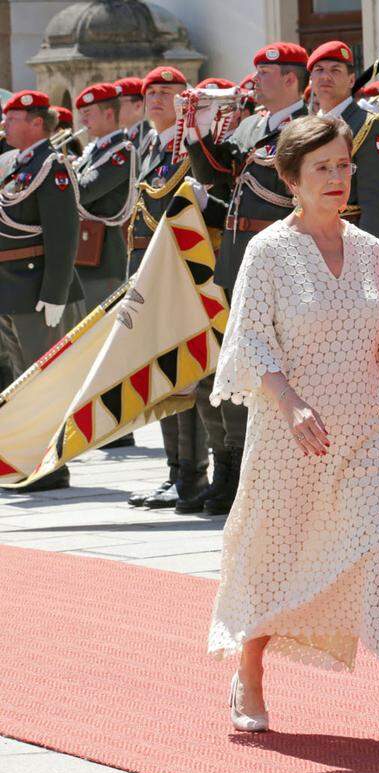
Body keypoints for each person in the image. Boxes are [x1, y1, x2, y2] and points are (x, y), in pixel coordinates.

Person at [206, 115, 379, 750]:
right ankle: (249, 675)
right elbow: (250, 337)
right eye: (323, 169)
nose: (338, 178)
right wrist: (290, 404)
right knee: (274, 553)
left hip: (364, 432)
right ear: (291, 179)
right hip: (291, 435)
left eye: (344, 166)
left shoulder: (369, 248)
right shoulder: (269, 252)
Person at [185, 42, 310, 516]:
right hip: (238, 260)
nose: (255, 80)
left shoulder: (307, 131)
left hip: (280, 264)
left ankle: (250, 471)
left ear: (292, 81)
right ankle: (229, 469)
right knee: (230, 367)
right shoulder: (256, 127)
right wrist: (198, 133)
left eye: (267, 72)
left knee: (267, 369)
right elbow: (221, 177)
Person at [124, 67, 213, 511]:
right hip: (148, 272)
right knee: (160, 376)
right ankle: (175, 472)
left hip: (179, 274)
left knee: (185, 374)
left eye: (169, 92)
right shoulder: (152, 147)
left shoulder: (190, 146)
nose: (158, 99)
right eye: (152, 92)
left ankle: (192, 476)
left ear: (186, 100)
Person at [0, 90, 84, 492]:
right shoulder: (14, 164)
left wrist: (56, 291)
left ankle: (51, 466)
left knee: (42, 380)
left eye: (13, 118)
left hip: (36, 288)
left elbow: (64, 232)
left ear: (36, 122)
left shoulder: (52, 165)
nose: (5, 125)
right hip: (11, 287)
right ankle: (26, 459)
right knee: (21, 380)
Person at [308, 40, 379, 247]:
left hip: (347, 240)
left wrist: (368, 258)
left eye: (335, 70)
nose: (325, 76)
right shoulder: (305, 126)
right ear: (311, 80)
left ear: (351, 80)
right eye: (319, 70)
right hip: (307, 242)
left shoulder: (369, 125)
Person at [72, 82, 137, 313]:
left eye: (88, 114)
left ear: (109, 113)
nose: (82, 121)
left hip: (103, 257)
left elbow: (86, 191)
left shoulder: (121, 151)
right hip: (83, 251)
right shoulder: (95, 151)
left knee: (97, 332)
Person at [113, 77, 152, 161]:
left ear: (138, 106)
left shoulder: (151, 138)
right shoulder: (123, 137)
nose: (113, 110)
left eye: (117, 104)